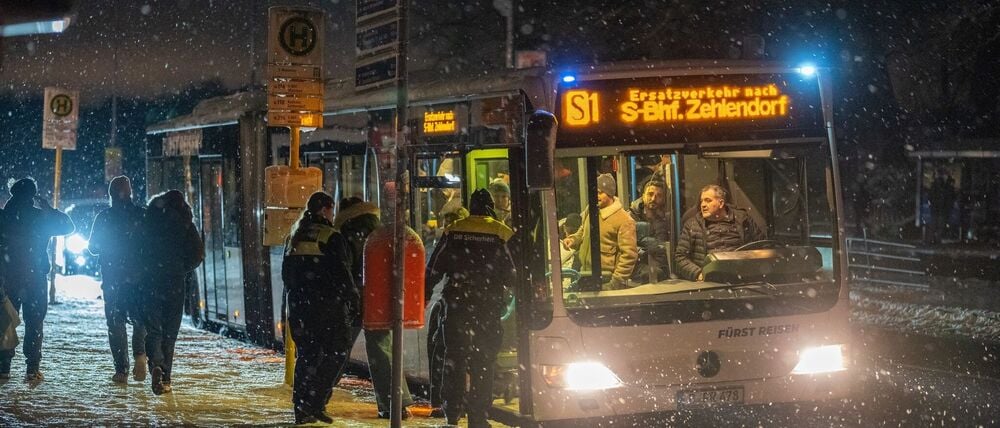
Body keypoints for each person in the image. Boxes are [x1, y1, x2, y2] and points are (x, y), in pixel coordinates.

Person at [425, 189, 515, 428]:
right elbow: (512, 274)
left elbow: (434, 268)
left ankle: (452, 414)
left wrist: (425, 295)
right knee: (483, 364)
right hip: (487, 308)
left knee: (455, 360)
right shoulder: (500, 232)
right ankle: (478, 418)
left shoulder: (453, 231)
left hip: (457, 307)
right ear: (489, 207)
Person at [329, 197, 414, 419]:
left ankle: (318, 394)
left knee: (338, 347)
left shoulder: (346, 231)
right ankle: (395, 403)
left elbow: (344, 267)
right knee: (382, 350)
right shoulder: (380, 230)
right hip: (382, 297)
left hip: (356, 296)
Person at [282, 192, 355, 424]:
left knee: (307, 356)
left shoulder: (294, 236)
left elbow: (287, 276)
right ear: (326, 210)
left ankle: (303, 406)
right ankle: (315, 402)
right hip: (328, 308)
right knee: (337, 353)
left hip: (300, 308)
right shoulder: (331, 237)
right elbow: (343, 274)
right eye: (331, 210)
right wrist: (352, 300)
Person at [0, 177, 74, 381]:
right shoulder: (40, 217)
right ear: (33, 195)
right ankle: (32, 368)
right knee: (34, 322)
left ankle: (4, 366)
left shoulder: (4, 216)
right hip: (35, 278)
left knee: (5, 321)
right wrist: (50, 209)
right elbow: (68, 227)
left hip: (8, 278)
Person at [139, 190, 203, 395]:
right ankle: (165, 377)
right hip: (174, 281)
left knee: (153, 328)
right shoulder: (185, 224)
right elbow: (198, 253)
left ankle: (155, 365)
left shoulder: (149, 221)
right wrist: (181, 267)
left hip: (150, 280)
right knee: (170, 332)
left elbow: (137, 249)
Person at [88, 176, 147, 384]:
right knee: (141, 319)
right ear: (130, 193)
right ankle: (141, 353)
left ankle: (121, 370)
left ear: (110, 195)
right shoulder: (142, 215)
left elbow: (93, 248)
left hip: (113, 279)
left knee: (116, 323)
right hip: (139, 278)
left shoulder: (104, 218)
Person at [426, 204, 470, 417]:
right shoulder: (484, 235)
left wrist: (424, 295)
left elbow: (434, 268)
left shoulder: (450, 238)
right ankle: (472, 406)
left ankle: (448, 405)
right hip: (481, 305)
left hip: (455, 303)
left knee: (444, 352)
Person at [561, 173, 637, 290]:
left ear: (610, 194)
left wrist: (615, 283)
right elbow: (583, 231)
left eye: (600, 192)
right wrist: (573, 239)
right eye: (594, 192)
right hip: (585, 274)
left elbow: (629, 255)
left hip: (606, 279)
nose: (596, 196)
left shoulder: (624, 220)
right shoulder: (590, 210)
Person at [675, 184, 765, 281]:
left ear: (721, 203)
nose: (703, 205)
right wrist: (698, 274)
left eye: (708, 200)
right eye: (701, 201)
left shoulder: (743, 220)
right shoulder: (692, 225)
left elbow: (763, 246)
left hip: (742, 279)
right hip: (709, 284)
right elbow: (680, 257)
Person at [629, 180, 670, 282]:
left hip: (659, 268)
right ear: (643, 196)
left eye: (659, 196)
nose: (653, 199)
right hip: (636, 266)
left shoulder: (665, 220)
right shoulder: (629, 217)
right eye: (650, 194)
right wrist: (643, 252)